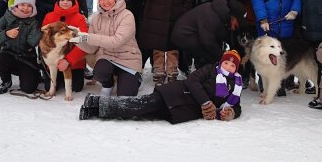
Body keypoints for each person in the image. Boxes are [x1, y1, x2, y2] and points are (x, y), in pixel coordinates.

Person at [78, 50, 243, 124]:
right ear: (221, 62)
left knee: (139, 115)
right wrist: (206, 103)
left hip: (183, 110)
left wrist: (231, 113)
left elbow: (237, 105)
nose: (228, 66)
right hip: (175, 94)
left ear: (236, 69)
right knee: (137, 106)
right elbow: (192, 81)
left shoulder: (236, 84)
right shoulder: (210, 70)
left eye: (232, 65)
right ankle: (94, 102)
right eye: (226, 62)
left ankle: (93, 110)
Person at [70, 0, 142, 97]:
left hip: (128, 58)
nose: (106, 2)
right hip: (107, 57)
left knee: (125, 96)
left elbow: (117, 41)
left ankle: (134, 79)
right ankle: (108, 84)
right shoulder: (96, 18)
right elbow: (91, 48)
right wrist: (77, 38)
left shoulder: (127, 15)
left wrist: (88, 37)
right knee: (100, 72)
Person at [171, 0, 249, 69]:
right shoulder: (212, 18)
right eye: (237, 24)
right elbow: (208, 42)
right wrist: (223, 58)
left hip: (197, 35)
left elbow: (224, 36)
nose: (236, 27)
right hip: (183, 35)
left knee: (212, 54)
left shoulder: (223, 16)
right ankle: (202, 74)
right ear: (233, 17)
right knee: (208, 56)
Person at [0, 0, 43, 97]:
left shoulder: (34, 22)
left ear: (33, 8)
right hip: (10, 56)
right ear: (17, 5)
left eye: (29, 5)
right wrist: (6, 34)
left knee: (28, 88)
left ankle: (33, 75)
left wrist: (39, 32)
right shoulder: (6, 17)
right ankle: (6, 81)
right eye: (22, 4)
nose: (25, 8)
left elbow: (32, 42)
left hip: (27, 59)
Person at [41, 0, 88, 94]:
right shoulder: (49, 17)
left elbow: (84, 42)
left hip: (74, 62)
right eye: (62, 0)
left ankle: (67, 76)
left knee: (77, 87)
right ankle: (57, 78)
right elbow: (44, 39)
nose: (65, 3)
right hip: (53, 60)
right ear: (58, 1)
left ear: (73, 2)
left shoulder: (80, 18)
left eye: (68, 0)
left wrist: (68, 60)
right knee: (49, 86)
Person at [126, 0, 157, 69]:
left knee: (154, 46)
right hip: (140, 20)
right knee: (141, 45)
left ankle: (155, 66)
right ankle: (139, 67)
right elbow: (131, 1)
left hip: (155, 19)